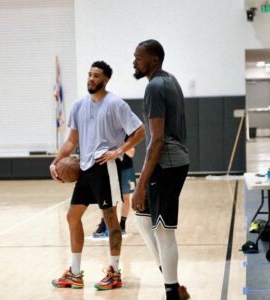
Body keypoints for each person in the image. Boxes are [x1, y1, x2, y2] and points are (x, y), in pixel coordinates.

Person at [49, 61, 144, 290]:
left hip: (105, 167)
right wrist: (55, 162)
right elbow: (72, 140)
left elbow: (140, 131)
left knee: (110, 219)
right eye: (90, 74)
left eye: (96, 75)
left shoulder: (115, 104)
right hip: (85, 167)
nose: (91, 78)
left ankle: (114, 272)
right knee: (72, 216)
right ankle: (74, 273)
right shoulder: (79, 105)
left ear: (106, 80)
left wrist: (119, 150)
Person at [132, 40, 190, 300]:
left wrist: (141, 183)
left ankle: (171, 294)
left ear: (154, 60)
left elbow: (156, 140)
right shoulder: (170, 80)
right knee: (142, 218)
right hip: (170, 161)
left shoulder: (154, 87)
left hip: (165, 163)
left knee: (163, 230)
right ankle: (172, 281)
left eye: (139, 57)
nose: (134, 61)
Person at [93, 146, 136, 237]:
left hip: (125, 168)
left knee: (125, 197)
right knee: (105, 196)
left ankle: (122, 224)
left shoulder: (126, 134)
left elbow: (131, 153)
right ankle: (103, 223)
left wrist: (119, 147)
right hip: (109, 166)